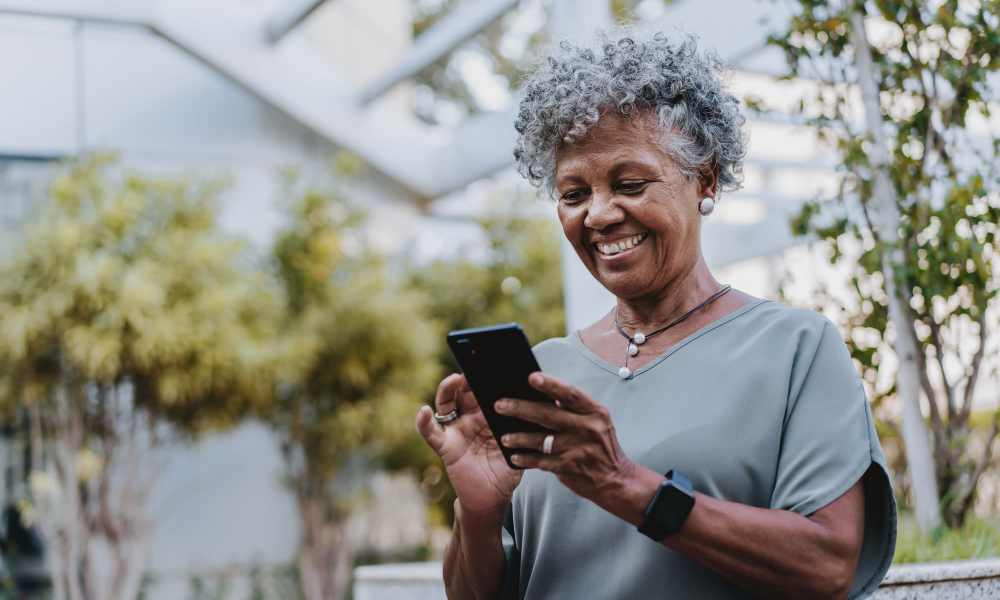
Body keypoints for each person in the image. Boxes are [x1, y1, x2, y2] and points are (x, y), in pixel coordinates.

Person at [415, 29, 896, 600]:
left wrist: (626, 486)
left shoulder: (795, 349)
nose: (598, 214)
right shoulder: (544, 374)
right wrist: (479, 511)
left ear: (705, 179)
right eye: (573, 195)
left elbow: (828, 566)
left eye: (630, 183)